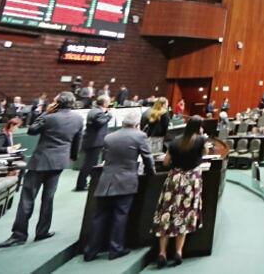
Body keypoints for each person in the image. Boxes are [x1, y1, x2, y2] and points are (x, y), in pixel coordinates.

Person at [0, 91, 84, 248]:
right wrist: (73, 156)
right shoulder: (78, 119)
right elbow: (78, 140)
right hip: (59, 162)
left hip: (40, 162)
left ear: (58, 102)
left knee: (27, 198)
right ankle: (42, 232)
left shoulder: (49, 117)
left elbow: (32, 130)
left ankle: (19, 235)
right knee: (48, 198)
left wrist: (45, 113)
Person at [83, 112, 155, 261]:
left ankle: (91, 251)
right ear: (137, 124)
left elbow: (105, 158)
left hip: (106, 180)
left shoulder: (109, 137)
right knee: (120, 216)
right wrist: (151, 173)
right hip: (125, 181)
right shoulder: (139, 136)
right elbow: (147, 157)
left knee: (99, 216)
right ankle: (115, 249)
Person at [153, 115, 209, 268]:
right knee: (184, 214)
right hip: (191, 181)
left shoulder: (175, 140)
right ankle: (178, 251)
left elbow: (166, 162)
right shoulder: (201, 140)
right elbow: (205, 154)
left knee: (166, 213)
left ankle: (162, 253)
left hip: (174, 179)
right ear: (199, 127)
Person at [76, 96, 112, 191]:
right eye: (108, 102)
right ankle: (81, 184)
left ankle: (91, 183)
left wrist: (105, 113)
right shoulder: (98, 113)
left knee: (92, 163)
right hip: (94, 142)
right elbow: (101, 122)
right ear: (104, 103)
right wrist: (109, 115)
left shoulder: (94, 110)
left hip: (92, 141)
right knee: (89, 164)